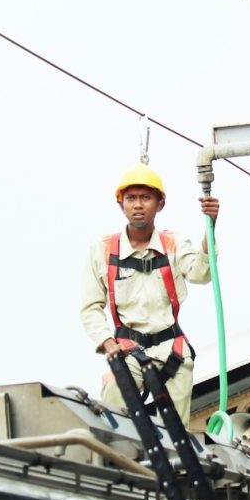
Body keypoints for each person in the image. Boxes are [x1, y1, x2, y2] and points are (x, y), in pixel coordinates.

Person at [80, 163, 219, 426]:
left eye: (145, 198)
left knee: (177, 433)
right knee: (115, 405)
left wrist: (209, 230)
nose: (138, 205)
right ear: (121, 204)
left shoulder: (173, 243)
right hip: (128, 350)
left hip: (171, 351)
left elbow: (201, 273)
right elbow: (90, 307)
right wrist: (108, 343)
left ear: (159, 203)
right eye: (131, 198)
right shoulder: (102, 250)